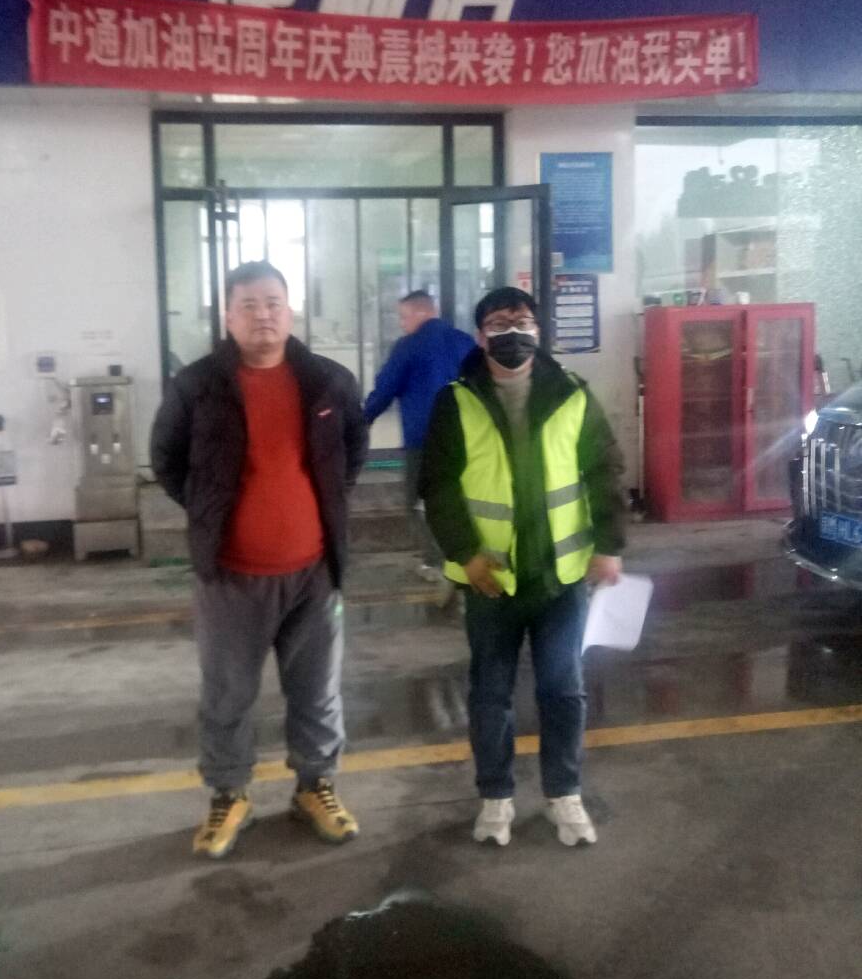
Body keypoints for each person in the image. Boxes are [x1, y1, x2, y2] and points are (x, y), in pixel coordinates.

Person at [151, 260, 369, 860]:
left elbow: (353, 448)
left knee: (317, 693)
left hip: (314, 573)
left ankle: (315, 786)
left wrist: (321, 505)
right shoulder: (196, 385)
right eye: (248, 305)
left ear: (289, 311)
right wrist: (211, 513)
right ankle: (230, 794)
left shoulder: (328, 381)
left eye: (272, 302)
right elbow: (166, 460)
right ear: (227, 316)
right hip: (230, 576)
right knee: (228, 694)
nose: (262, 315)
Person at [419, 286, 626, 849]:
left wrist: (609, 545)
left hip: (560, 577)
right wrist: (466, 553)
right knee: (490, 693)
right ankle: (496, 798)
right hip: (490, 581)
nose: (513, 331)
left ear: (538, 330)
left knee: (563, 690)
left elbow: (604, 473)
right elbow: (437, 488)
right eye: (499, 322)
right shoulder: (456, 401)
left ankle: (565, 794)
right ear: (480, 335)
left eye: (523, 320)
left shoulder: (572, 395)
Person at [363, 290, 475, 575]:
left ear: (422, 312)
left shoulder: (408, 346)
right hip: (467, 440)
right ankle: (464, 556)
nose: (402, 324)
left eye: (404, 317)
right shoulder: (465, 342)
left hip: (422, 440)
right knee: (460, 496)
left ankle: (436, 562)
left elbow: (386, 387)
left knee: (418, 502)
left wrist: (364, 419)